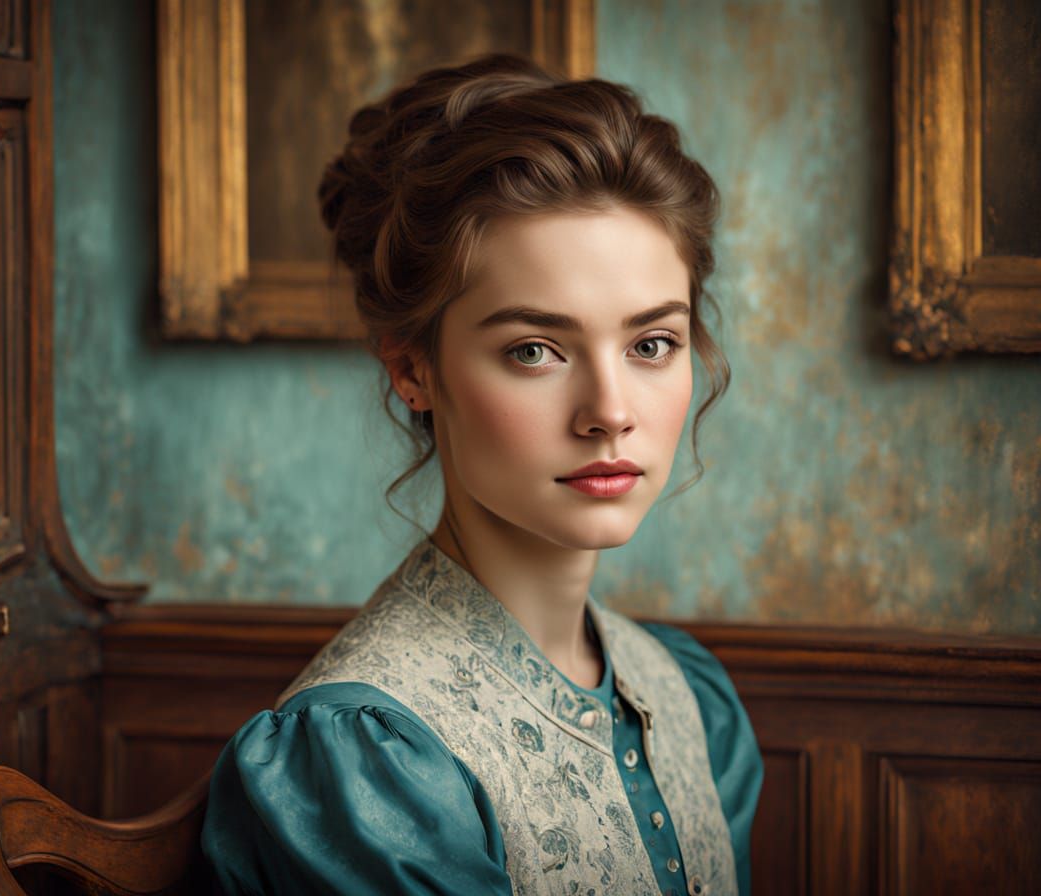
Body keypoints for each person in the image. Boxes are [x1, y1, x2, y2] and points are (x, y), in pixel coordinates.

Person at [202, 53, 762, 896]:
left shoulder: (689, 699)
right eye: (534, 350)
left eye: (652, 344)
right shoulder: (367, 763)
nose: (610, 410)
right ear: (413, 369)